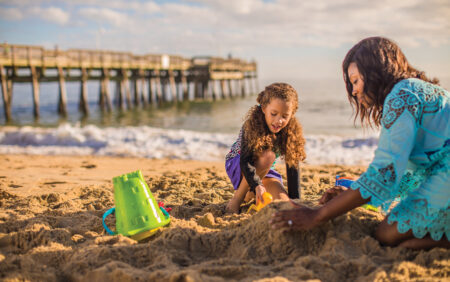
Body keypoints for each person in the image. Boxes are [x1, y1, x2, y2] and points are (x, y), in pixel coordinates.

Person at [270, 37, 449, 250]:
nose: (354, 91)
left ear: (376, 72)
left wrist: (318, 214)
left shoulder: (400, 97)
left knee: (386, 235)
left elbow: (385, 174)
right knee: (405, 241)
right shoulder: (411, 89)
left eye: (356, 81)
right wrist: (352, 193)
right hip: (441, 170)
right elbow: (405, 173)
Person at [225, 82, 306, 213]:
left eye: (285, 116)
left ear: (292, 114)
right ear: (263, 108)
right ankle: (238, 198)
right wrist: (257, 185)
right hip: (239, 164)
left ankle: (249, 194)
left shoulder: (290, 131)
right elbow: (245, 161)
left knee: (284, 202)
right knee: (268, 156)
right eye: (273, 114)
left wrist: (295, 201)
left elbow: (292, 167)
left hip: (265, 171)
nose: (278, 121)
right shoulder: (251, 125)